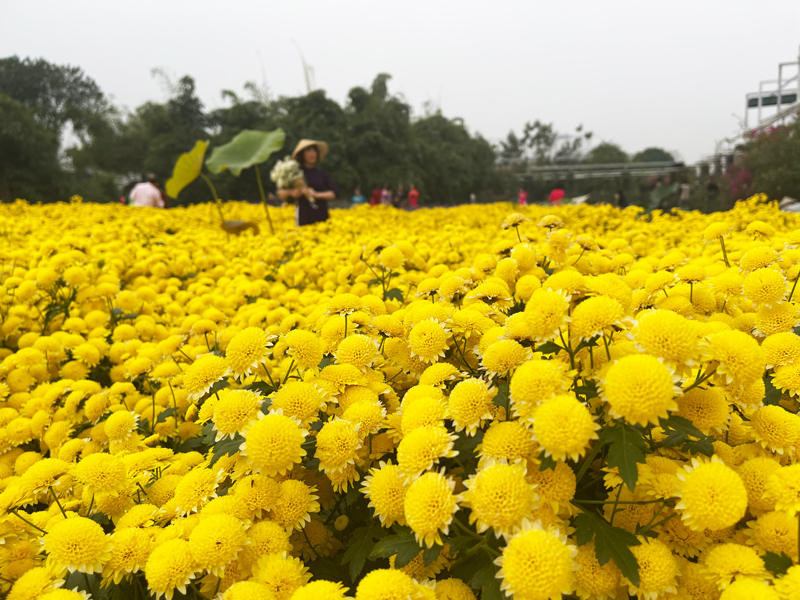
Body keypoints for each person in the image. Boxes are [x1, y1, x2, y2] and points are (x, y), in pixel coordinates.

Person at [277, 139, 338, 227]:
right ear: (302, 154)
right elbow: (280, 193)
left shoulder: (321, 174)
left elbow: (335, 193)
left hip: (321, 213)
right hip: (303, 215)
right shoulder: (294, 173)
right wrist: (291, 192)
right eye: (308, 151)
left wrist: (316, 194)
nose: (312, 153)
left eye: (314, 151)